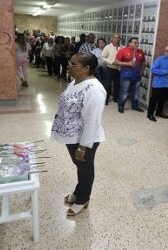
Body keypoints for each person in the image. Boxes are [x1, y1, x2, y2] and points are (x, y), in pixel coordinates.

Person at [51, 52, 107, 216]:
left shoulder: (95, 90)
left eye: (73, 64)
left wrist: (83, 146)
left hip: (85, 139)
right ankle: (79, 191)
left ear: (86, 68)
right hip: (72, 136)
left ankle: (83, 199)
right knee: (80, 167)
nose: (68, 66)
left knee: (85, 168)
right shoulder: (75, 82)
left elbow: (92, 121)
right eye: (69, 62)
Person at [114, 37, 145, 113]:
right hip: (126, 75)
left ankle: (135, 106)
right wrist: (127, 63)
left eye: (137, 43)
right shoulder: (123, 51)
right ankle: (121, 106)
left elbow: (143, 62)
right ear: (129, 43)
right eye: (135, 43)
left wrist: (142, 72)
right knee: (124, 91)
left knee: (136, 92)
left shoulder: (140, 52)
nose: (137, 44)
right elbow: (116, 62)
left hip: (137, 75)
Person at [101, 34, 124, 104]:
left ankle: (115, 98)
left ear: (120, 39)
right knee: (107, 84)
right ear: (112, 38)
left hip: (119, 69)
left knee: (117, 84)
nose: (117, 39)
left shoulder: (123, 47)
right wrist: (111, 62)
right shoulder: (107, 47)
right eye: (115, 37)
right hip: (110, 68)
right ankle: (106, 99)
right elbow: (103, 57)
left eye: (118, 38)